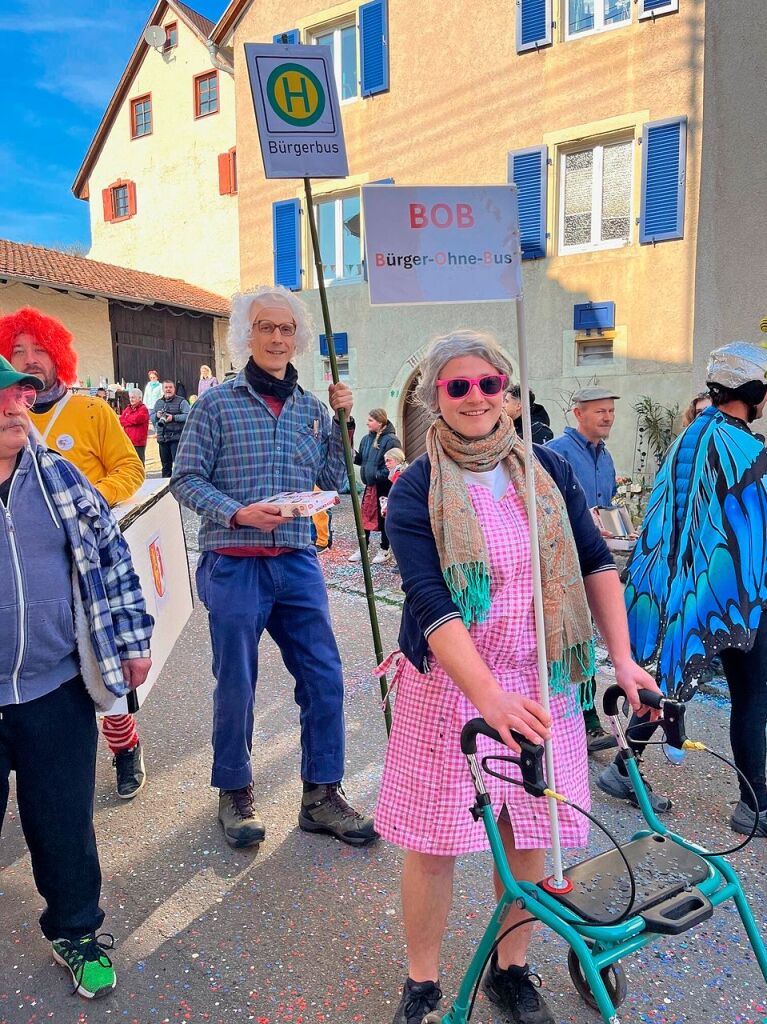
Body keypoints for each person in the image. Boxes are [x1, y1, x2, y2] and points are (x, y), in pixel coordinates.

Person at [376, 331, 660, 1024]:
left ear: (507, 389)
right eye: (457, 386)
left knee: (535, 829)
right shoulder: (415, 489)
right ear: (434, 397)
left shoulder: (547, 469)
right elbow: (431, 602)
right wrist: (486, 696)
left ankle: (511, 967)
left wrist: (620, 660)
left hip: (542, 679)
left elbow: (594, 563)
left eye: (487, 384)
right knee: (436, 842)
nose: (475, 398)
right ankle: (422, 982)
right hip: (453, 688)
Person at [170, 285, 376, 849]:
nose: (277, 337)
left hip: (296, 561)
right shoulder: (215, 404)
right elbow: (184, 480)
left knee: (324, 675)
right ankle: (234, 791)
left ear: (298, 338)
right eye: (266, 327)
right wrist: (237, 512)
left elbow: (337, 482)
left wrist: (345, 420)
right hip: (233, 563)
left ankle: (321, 793)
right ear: (246, 335)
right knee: (237, 682)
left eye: (287, 329)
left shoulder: (314, 409)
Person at [0, 354, 153, 999]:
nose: (18, 404)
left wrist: (132, 640)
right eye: (3, 396)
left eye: (21, 392)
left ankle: (76, 931)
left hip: (53, 690)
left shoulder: (57, 477)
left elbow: (113, 559)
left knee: (63, 824)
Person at [607, 342, 767, 836]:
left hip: (677, 585)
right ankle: (754, 805)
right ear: (755, 393)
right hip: (734, 593)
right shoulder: (748, 450)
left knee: (671, 677)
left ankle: (621, 768)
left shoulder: (687, 439)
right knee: (752, 694)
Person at [0, 308, 148, 801]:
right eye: (17, 350)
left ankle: (126, 750)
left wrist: (85, 507)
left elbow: (130, 469)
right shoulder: (8, 418)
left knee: (103, 674)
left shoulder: (91, 411)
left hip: (83, 562)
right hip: (25, 566)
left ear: (56, 354)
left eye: (38, 349)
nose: (28, 359)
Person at [547, 386, 622, 752]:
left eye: (610, 411)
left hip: (592, 562)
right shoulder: (556, 454)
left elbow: (605, 505)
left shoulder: (605, 457)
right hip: (559, 562)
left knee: (587, 639)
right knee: (568, 638)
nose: (607, 417)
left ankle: (583, 715)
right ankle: (581, 716)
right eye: (599, 412)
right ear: (577, 414)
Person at [348, 408, 402, 565]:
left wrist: (378, 475)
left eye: (371, 420)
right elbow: (362, 460)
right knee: (364, 517)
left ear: (380, 422)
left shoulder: (391, 440)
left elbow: (394, 462)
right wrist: (352, 454)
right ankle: (362, 548)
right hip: (370, 487)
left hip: (384, 486)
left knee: (384, 516)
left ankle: (384, 549)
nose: (367, 422)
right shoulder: (366, 439)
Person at [153, 380, 190, 478]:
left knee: (178, 466)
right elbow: (151, 416)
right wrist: (156, 415)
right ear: (163, 389)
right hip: (162, 439)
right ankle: (165, 489)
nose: (168, 389)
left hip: (176, 439)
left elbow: (189, 416)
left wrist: (173, 418)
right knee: (165, 466)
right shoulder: (158, 402)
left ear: (174, 389)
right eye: (166, 387)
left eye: (170, 387)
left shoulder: (182, 401)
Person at [119, 388, 150, 464]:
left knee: (139, 463)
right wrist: (130, 420)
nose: (131, 399)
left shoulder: (143, 409)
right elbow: (121, 420)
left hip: (138, 442)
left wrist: (127, 419)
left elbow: (137, 420)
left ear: (140, 398)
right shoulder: (128, 408)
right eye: (130, 397)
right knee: (129, 463)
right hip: (128, 441)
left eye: (133, 397)